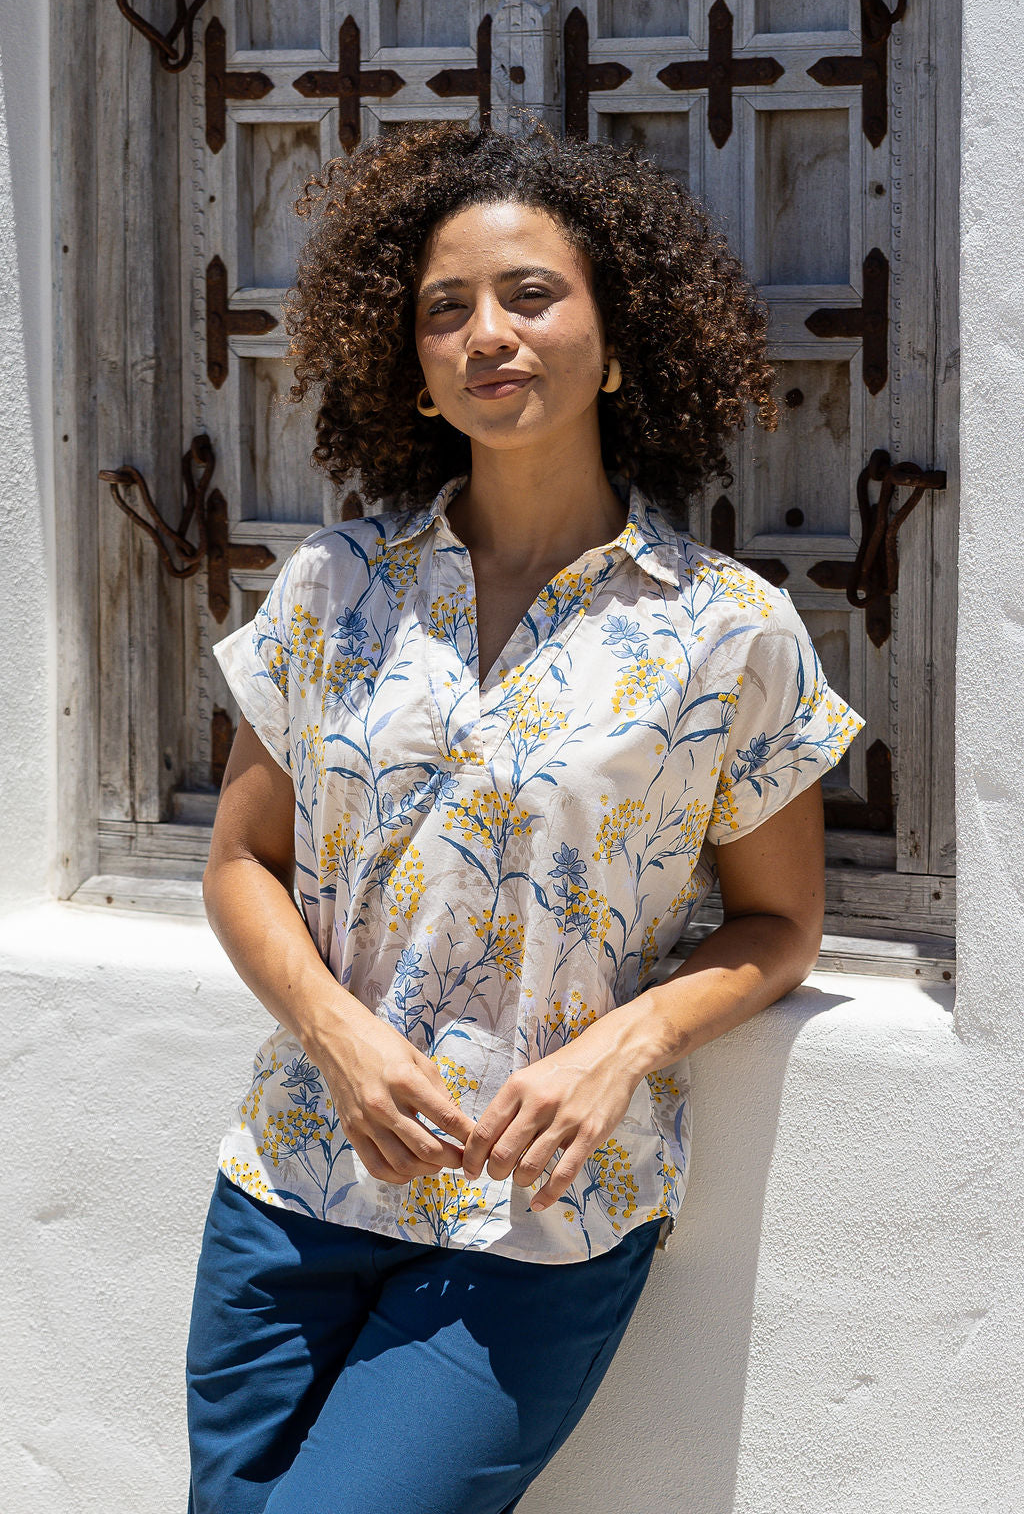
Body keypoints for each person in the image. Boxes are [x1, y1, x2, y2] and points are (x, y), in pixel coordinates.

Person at [186, 119, 865, 1514]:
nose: (487, 333)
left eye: (532, 295)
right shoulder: (333, 586)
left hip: (538, 1221)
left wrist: (628, 1043)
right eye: (447, 308)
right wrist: (338, 1037)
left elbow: (781, 923)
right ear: (415, 365)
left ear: (616, 344)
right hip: (296, 1185)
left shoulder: (728, 631)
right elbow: (243, 861)